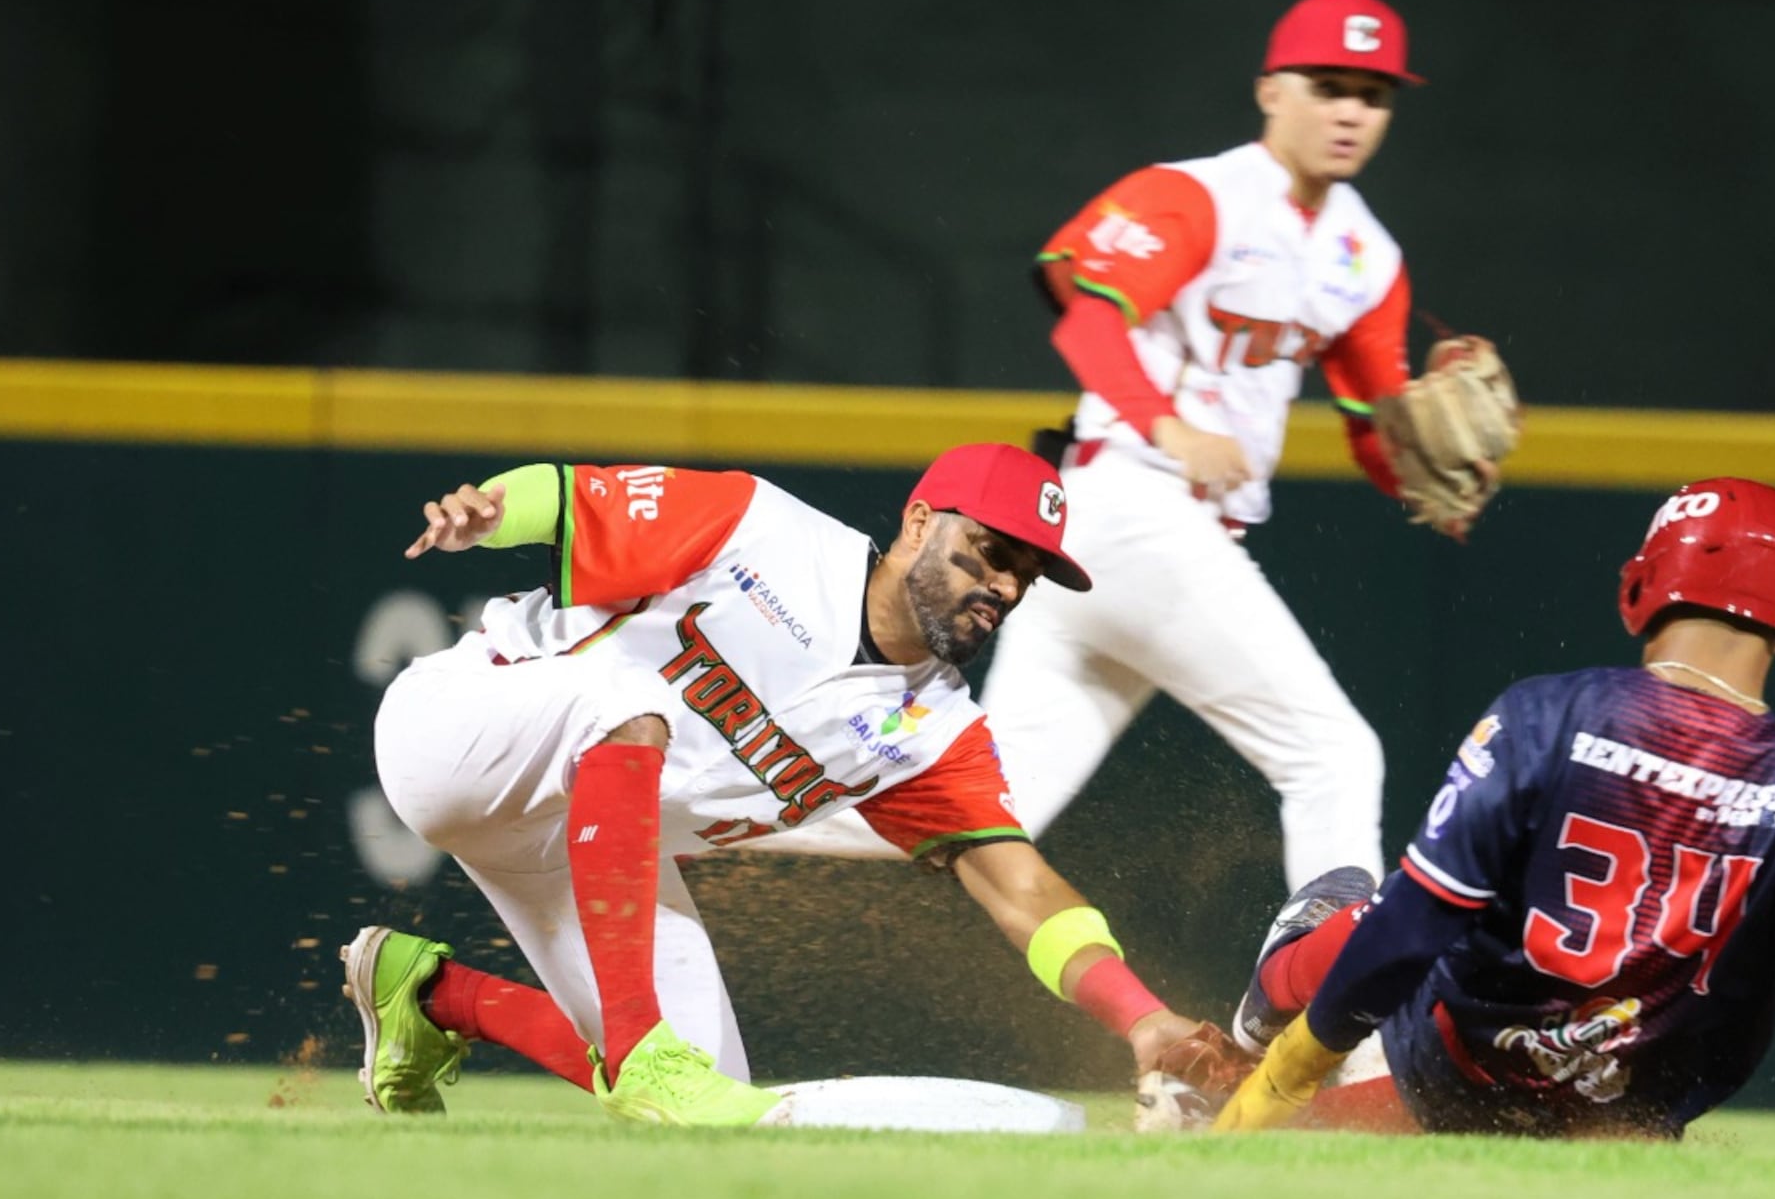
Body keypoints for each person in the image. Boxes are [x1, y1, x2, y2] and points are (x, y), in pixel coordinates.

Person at [744, 0, 1483, 1056]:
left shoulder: (1367, 257)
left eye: (1372, 95)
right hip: (1131, 505)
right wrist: (1168, 426)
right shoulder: (1200, 197)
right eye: (1328, 85)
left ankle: (699, 797)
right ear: (1272, 88)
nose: (1349, 110)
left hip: (1135, 545)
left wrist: (1422, 475)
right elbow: (1088, 310)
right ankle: (1339, 1038)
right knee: (1331, 753)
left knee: (996, 809)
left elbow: (1376, 428)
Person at [342, 443, 1214, 1125]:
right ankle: (641, 1043)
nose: (1003, 586)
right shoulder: (762, 530)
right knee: (634, 703)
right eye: (988, 552)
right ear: (920, 520)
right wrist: (489, 513)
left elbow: (1023, 889)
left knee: (712, 1098)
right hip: (460, 729)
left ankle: (431, 996)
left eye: (1026, 573)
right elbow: (573, 499)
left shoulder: (934, 733)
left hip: (574, 836)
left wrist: (1140, 1017)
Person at [1196, 477, 1775, 1165]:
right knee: (1439, 978)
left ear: (1648, 578)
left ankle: (1245, 1054)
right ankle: (1276, 997)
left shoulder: (1547, 712)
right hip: (1625, 1104)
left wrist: (1285, 1078)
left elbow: (1417, 923)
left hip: (1456, 1057)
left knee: (1392, 913)